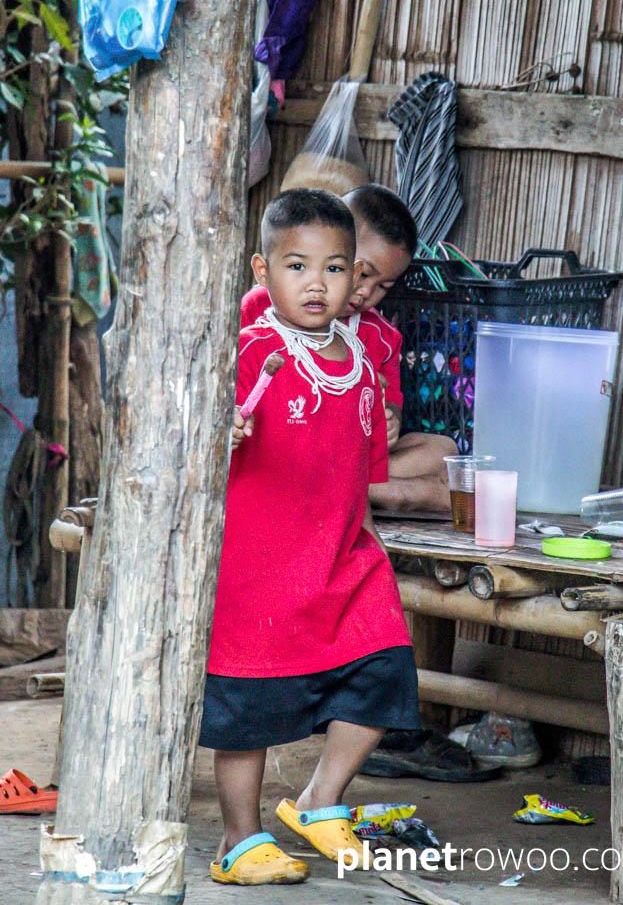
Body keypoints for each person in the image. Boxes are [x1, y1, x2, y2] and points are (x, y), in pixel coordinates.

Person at [201, 189, 421, 886]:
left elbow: (364, 461)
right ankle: (239, 840)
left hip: (339, 552)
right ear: (264, 272)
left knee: (384, 664)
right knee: (248, 709)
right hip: (256, 563)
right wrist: (219, 431)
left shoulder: (365, 350)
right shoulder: (251, 346)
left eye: (336, 269)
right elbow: (204, 433)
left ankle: (318, 803)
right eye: (299, 267)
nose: (321, 285)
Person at [242, 183, 456, 514]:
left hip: (350, 454)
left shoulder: (382, 337)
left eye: (383, 286)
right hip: (280, 454)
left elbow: (391, 406)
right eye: (362, 273)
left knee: (443, 448)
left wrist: (391, 420)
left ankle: (356, 488)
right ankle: (387, 494)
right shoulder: (261, 309)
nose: (365, 291)